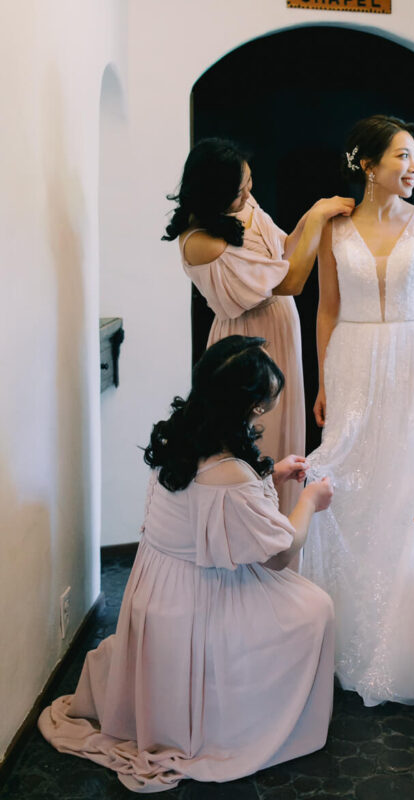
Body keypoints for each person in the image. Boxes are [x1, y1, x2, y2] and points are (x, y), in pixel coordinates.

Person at [39, 336, 335, 793]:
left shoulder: (180, 434)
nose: (264, 412)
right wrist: (311, 501)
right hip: (195, 601)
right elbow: (280, 555)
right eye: (261, 406)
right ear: (243, 406)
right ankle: (253, 721)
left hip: (156, 589)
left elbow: (207, 502)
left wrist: (269, 474)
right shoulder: (230, 476)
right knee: (313, 608)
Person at [301, 115, 414, 707]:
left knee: (412, 484)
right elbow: (325, 309)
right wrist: (321, 382)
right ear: (369, 165)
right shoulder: (335, 228)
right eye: (402, 156)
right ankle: (351, 636)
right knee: (355, 489)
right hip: (353, 358)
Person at [163, 138, 354, 516]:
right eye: (239, 191)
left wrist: (310, 218)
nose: (249, 193)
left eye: (249, 182)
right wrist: (316, 217)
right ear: (214, 194)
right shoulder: (201, 242)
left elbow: (283, 250)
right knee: (255, 439)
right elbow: (292, 280)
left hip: (281, 329)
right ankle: (254, 537)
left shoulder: (242, 203)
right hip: (245, 345)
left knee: (284, 437)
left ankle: (283, 536)